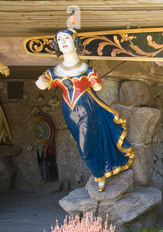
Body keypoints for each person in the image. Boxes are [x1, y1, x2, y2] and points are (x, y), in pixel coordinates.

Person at [36, 29, 134, 192]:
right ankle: (100, 172)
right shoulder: (55, 71)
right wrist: (42, 81)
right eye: (59, 39)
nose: (63, 42)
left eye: (66, 38)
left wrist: (93, 79)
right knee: (86, 144)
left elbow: (97, 86)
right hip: (69, 111)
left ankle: (99, 174)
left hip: (87, 110)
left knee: (85, 148)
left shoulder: (86, 70)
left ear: (75, 42)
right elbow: (41, 83)